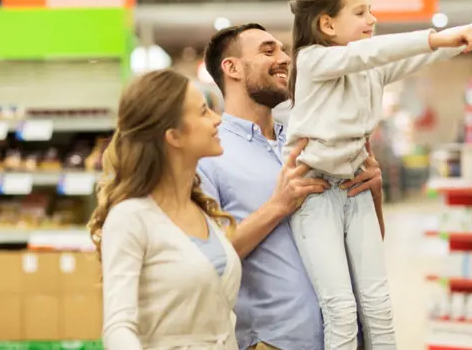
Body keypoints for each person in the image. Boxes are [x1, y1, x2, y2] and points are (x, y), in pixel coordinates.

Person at [284, 0, 472, 350]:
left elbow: (428, 53)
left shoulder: (370, 69)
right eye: (360, 12)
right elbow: (366, 53)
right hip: (315, 195)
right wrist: (435, 36)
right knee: (340, 310)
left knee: (379, 307)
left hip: (355, 190)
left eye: (371, 10)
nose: (371, 19)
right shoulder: (312, 61)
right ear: (326, 24)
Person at [198, 23, 385, 350]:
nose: (285, 58)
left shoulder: (313, 142)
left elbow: (367, 242)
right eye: (268, 51)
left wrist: (374, 193)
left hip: (347, 338)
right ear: (232, 68)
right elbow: (208, 260)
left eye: (284, 51)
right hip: (277, 342)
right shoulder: (210, 155)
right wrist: (277, 207)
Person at [88, 69, 242, 350]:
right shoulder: (130, 218)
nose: (217, 119)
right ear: (173, 136)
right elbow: (118, 328)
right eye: (204, 112)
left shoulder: (203, 210)